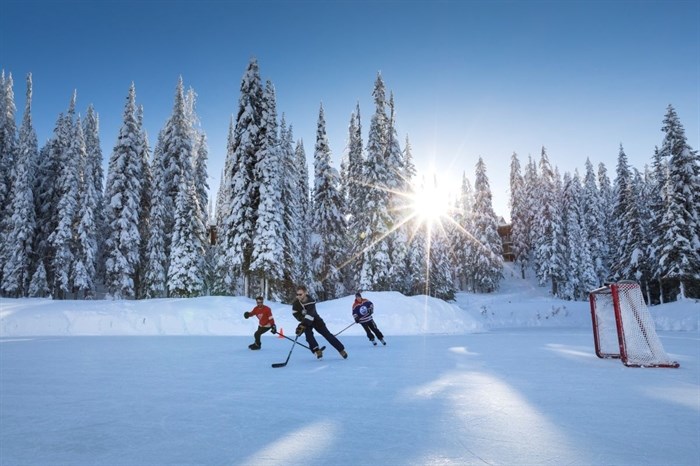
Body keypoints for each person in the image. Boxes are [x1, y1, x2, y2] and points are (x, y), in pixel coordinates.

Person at [292, 285, 348, 360]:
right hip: (306, 321)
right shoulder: (296, 303)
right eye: (297, 294)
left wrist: (302, 325)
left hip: (316, 320)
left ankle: (341, 350)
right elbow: (295, 313)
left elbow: (310, 315)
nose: (298, 296)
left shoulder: (311, 301)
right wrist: (301, 323)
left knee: (327, 335)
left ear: (305, 293)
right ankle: (316, 350)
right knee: (308, 336)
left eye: (300, 294)